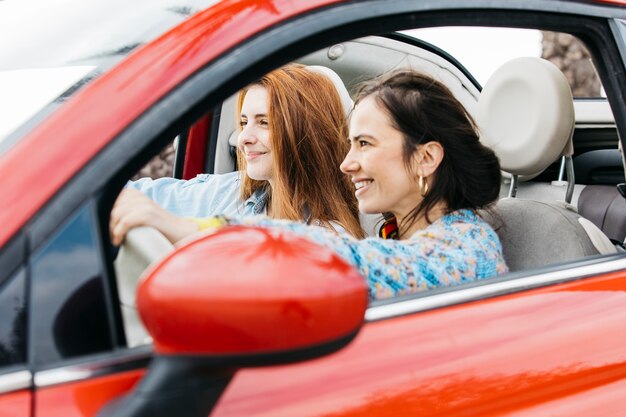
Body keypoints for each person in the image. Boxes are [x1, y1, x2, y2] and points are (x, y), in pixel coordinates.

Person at [111, 69, 508, 300]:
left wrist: (198, 230)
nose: (347, 163)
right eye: (350, 144)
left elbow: (346, 261)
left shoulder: (469, 250)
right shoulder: (399, 236)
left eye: (365, 145)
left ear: (426, 157)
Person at [114, 64, 363, 242]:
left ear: (305, 133)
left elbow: (270, 253)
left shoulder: (331, 240)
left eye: (264, 122)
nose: (244, 138)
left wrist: (182, 228)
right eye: (244, 123)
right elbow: (130, 195)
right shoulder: (231, 190)